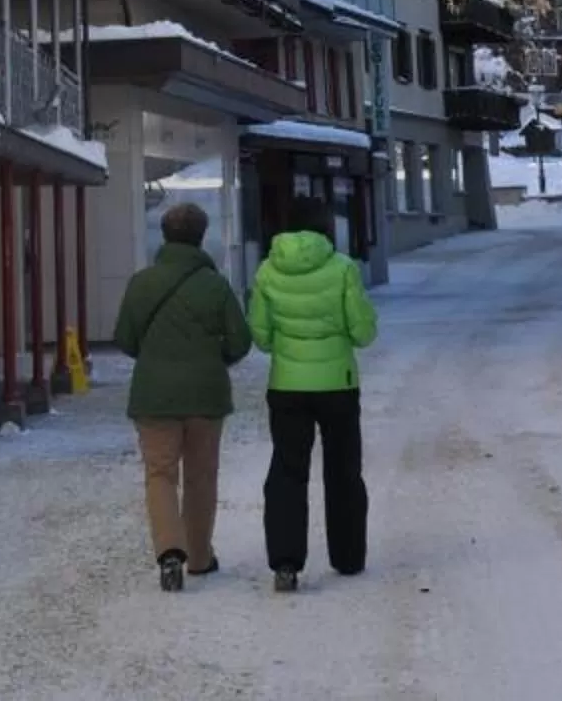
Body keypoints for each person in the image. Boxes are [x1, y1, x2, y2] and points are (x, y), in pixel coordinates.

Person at [112, 201, 253, 592]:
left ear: (165, 236)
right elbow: (240, 341)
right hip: (206, 395)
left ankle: (169, 552)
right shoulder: (215, 285)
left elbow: (124, 338)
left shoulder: (142, 283)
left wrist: (153, 357)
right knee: (200, 476)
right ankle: (200, 557)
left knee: (160, 474)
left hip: (154, 396)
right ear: (201, 237)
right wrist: (215, 359)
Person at [249, 194, 377, 593]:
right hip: (338, 384)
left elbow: (261, 337)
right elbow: (363, 332)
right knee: (343, 471)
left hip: (287, 385)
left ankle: (286, 563)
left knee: (287, 471)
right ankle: (348, 556)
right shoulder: (343, 268)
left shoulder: (267, 270)